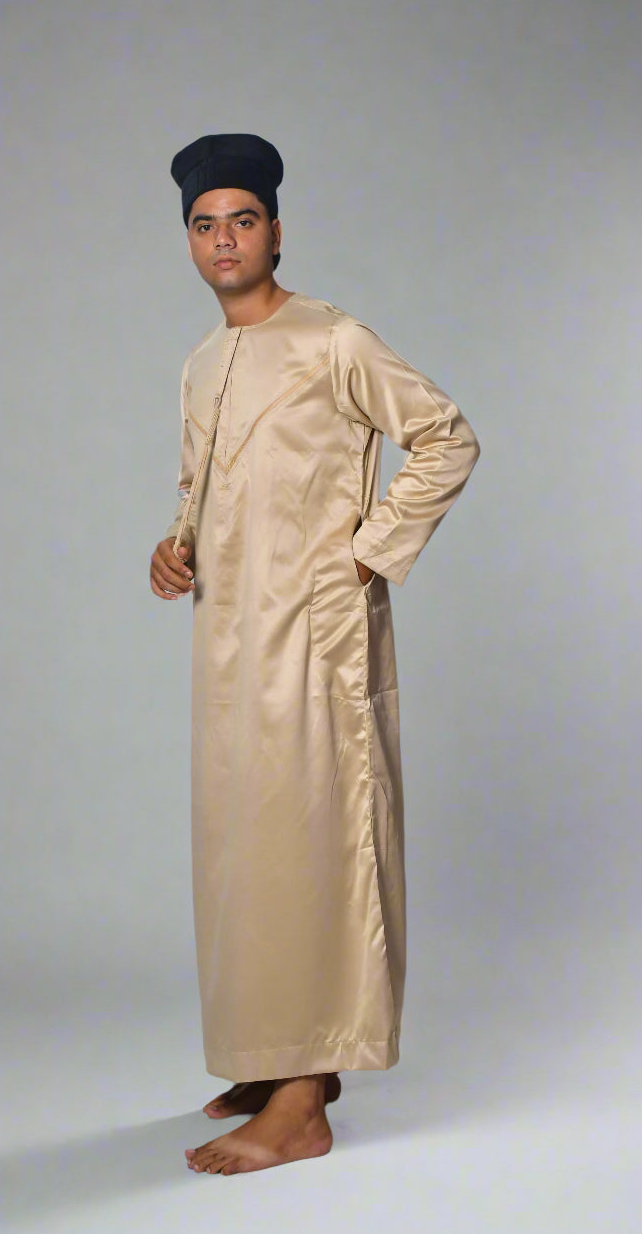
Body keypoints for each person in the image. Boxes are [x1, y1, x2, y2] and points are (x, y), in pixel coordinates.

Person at [149, 133, 480, 1176]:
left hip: (317, 637)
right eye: (205, 225)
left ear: (275, 229)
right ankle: (275, 1054)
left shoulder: (332, 338)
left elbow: (445, 436)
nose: (223, 241)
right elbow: (208, 486)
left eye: (241, 220)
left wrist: (367, 555)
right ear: (189, 240)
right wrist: (177, 547)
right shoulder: (203, 360)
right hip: (229, 638)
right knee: (244, 849)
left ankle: (301, 1103)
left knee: (314, 842)